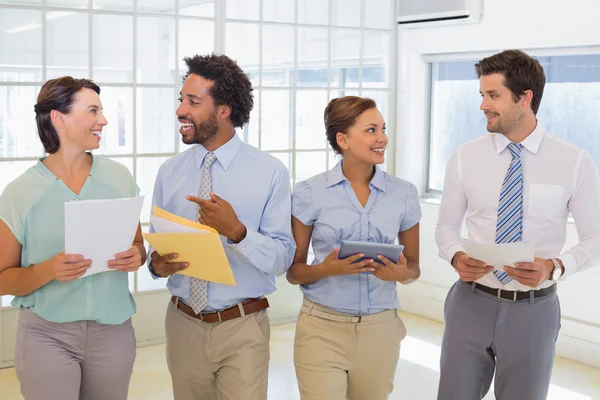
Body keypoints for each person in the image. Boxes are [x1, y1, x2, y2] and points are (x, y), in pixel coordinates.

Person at [435, 49, 600, 400]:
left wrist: (555, 266)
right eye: (482, 95)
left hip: (533, 311)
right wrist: (455, 257)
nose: (483, 105)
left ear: (525, 98)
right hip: (469, 302)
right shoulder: (465, 157)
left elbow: (595, 238)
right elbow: (445, 229)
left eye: (493, 95)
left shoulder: (575, 162)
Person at [148, 53, 295, 400]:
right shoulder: (169, 172)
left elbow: (283, 259)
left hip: (243, 326)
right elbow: (159, 248)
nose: (180, 110)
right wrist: (156, 264)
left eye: (193, 102)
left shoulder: (270, 172)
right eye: (181, 99)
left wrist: (238, 232)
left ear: (224, 110)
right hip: (183, 323)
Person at [0, 76, 146, 400]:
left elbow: (138, 245)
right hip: (46, 335)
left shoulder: (119, 177)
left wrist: (138, 254)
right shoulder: (19, 193)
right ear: (59, 118)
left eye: (102, 111)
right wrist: (49, 270)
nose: (104, 120)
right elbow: (2, 279)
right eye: (93, 111)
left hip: (113, 332)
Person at [287, 96, 421, 400]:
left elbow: (414, 268)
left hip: (380, 330)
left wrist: (399, 273)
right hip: (321, 329)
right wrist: (327, 269)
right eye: (371, 130)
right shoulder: (310, 193)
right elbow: (294, 271)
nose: (382, 137)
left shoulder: (404, 194)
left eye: (383, 129)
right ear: (343, 139)